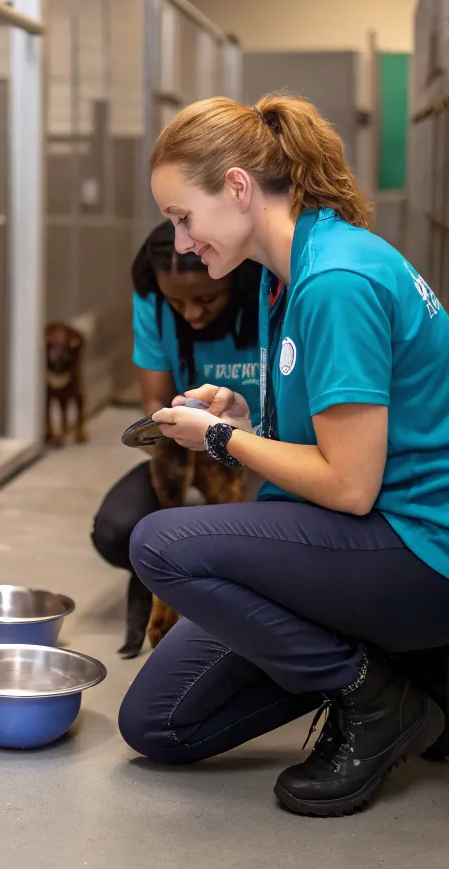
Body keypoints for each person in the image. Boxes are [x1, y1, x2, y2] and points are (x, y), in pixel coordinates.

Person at [118, 94, 449, 817]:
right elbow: (328, 437)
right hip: (369, 538)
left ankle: (375, 697)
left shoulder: (334, 280)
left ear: (238, 188)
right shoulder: (286, 271)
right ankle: (403, 662)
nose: (180, 242)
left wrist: (219, 440)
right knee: (159, 724)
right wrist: (244, 417)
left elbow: (351, 485)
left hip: (430, 553)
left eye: (183, 216)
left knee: (158, 542)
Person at [91, 221, 261, 658]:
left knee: (248, 544)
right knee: (117, 531)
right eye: (176, 302)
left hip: (266, 454)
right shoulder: (152, 300)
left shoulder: (267, 299)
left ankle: (193, 581)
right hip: (191, 449)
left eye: (207, 298)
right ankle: (166, 577)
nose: (192, 314)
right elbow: (156, 408)